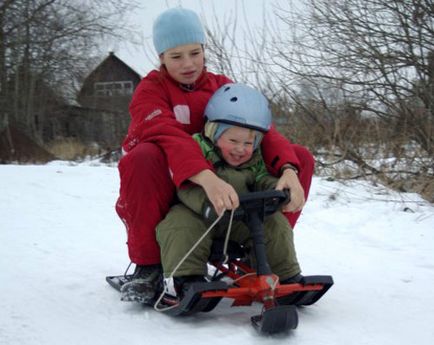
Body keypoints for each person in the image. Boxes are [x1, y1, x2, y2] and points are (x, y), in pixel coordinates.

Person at [116, 7, 313, 303]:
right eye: (176, 56)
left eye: (195, 53)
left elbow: (264, 131)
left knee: (301, 156)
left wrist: (288, 169)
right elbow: (169, 136)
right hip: (176, 187)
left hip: (232, 186)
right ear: (161, 58)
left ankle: (261, 251)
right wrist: (206, 177)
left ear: (204, 49)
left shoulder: (222, 86)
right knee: (142, 156)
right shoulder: (150, 92)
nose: (188, 64)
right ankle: (149, 266)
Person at [156, 83, 302, 296]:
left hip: (239, 218)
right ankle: (186, 278)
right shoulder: (196, 149)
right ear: (214, 133)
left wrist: (277, 191)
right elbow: (185, 186)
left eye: (248, 143)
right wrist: (206, 206)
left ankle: (286, 275)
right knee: (179, 226)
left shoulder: (254, 158)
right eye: (233, 140)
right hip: (199, 214)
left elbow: (261, 178)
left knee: (275, 225)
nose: (240, 149)